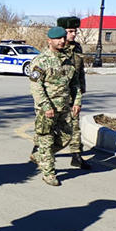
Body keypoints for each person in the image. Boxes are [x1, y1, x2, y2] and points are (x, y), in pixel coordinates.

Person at [29, 26, 82, 186]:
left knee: (67, 136)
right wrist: (46, 106)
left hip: (64, 108)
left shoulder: (68, 60)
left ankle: (41, 156)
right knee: (46, 139)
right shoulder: (40, 61)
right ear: (49, 41)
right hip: (47, 109)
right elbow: (36, 86)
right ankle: (49, 173)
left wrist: (77, 101)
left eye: (63, 38)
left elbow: (75, 84)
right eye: (58, 38)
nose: (62, 41)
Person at [58, 16, 90, 170]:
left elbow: (80, 71)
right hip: (56, 95)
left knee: (75, 125)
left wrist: (81, 90)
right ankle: (39, 150)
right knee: (49, 127)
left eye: (75, 31)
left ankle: (76, 156)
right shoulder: (55, 48)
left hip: (73, 92)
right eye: (70, 31)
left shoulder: (77, 48)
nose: (73, 34)